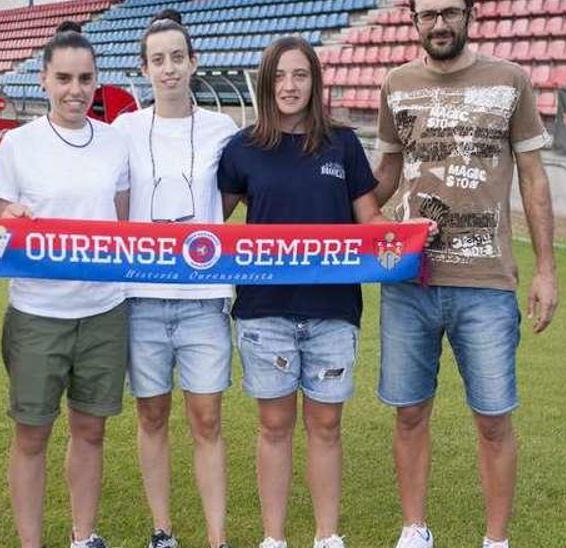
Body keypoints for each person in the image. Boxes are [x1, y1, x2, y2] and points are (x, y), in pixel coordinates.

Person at [371, 1, 559, 547]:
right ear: (413, 20)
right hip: (409, 281)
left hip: (487, 284)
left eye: (450, 11)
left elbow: (533, 177)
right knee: (408, 413)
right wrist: (341, 215)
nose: (440, 24)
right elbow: (384, 174)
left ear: (470, 13)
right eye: (428, 14)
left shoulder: (510, 81)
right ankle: (414, 530)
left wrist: (546, 269)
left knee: (494, 418)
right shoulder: (396, 83)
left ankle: (495, 540)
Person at [218, 36, 387, 548]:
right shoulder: (243, 148)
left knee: (327, 425)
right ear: (266, 83)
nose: (289, 86)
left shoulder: (343, 144)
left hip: (333, 311)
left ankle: (326, 536)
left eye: (300, 75)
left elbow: (370, 220)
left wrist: (405, 232)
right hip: (264, 310)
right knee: (273, 426)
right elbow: (209, 228)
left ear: (315, 81)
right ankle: (273, 538)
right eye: (279, 76)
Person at [0, 21, 131, 548]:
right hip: (38, 311)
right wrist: (13, 216)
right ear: (44, 79)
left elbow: (122, 226)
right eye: (64, 78)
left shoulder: (115, 144)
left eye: (85, 78)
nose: (75, 90)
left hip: (103, 311)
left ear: (97, 82)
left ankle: (83, 535)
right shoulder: (20, 145)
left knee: (91, 431)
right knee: (32, 434)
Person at [110, 9, 239, 548]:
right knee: (152, 414)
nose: (169, 69)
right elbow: (115, 206)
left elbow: (226, 202)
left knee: (207, 418)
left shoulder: (222, 129)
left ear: (194, 62)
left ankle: (216, 538)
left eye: (177, 58)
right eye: (158, 60)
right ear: (144, 69)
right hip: (142, 296)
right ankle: (163, 531)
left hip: (205, 299)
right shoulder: (123, 129)